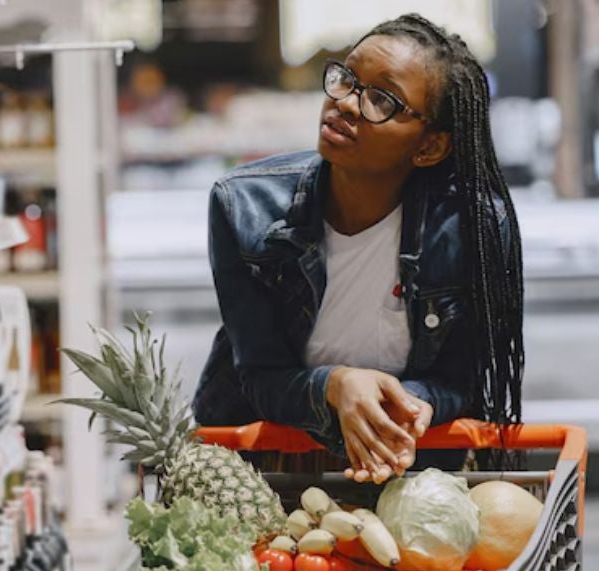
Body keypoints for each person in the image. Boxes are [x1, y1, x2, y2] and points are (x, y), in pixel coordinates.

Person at [191, 14, 524, 484]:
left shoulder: (474, 226)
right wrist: (337, 386)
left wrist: (395, 406)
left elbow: (459, 379)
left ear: (430, 147)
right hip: (261, 470)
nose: (346, 103)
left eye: (381, 99)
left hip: (412, 467)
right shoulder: (245, 206)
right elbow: (260, 373)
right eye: (346, 79)